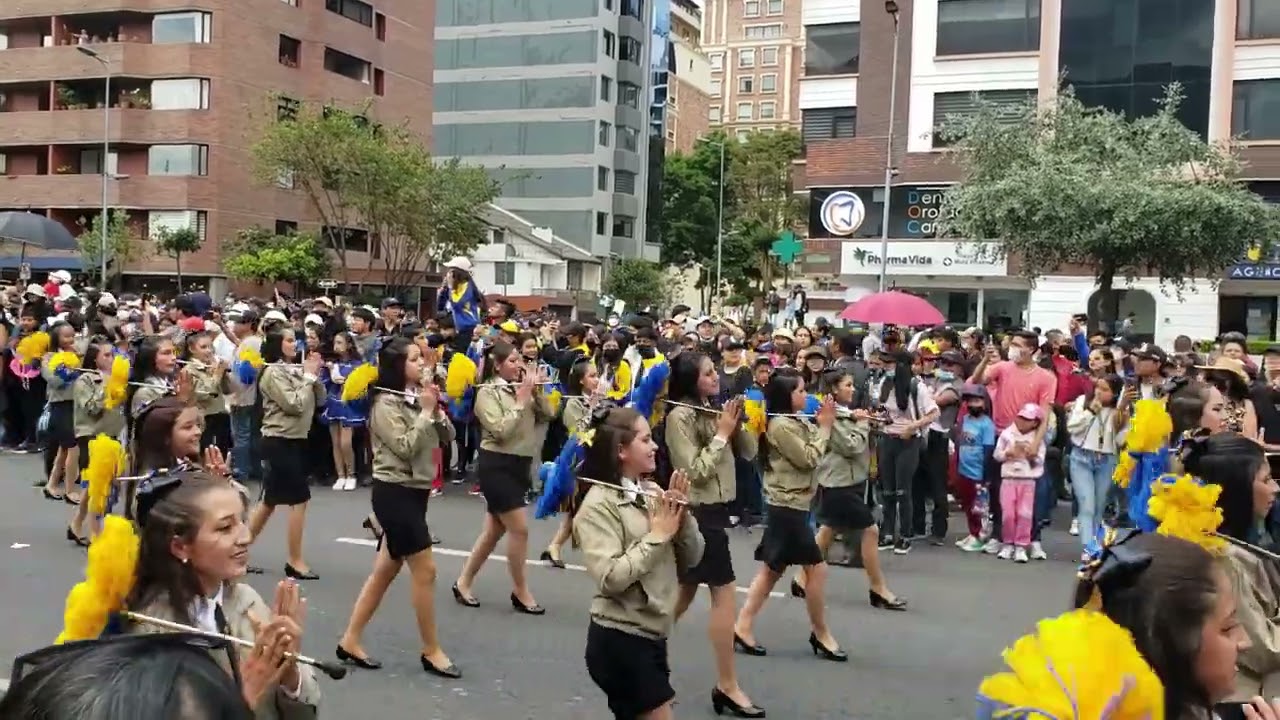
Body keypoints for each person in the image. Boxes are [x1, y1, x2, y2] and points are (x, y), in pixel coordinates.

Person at [336, 338, 460, 679]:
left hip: (416, 492)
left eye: (422, 358)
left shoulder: (415, 397)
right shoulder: (384, 405)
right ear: (397, 366)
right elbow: (405, 447)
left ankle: (350, 639)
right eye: (415, 359)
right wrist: (423, 413)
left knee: (385, 571)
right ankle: (431, 649)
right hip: (395, 493)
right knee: (426, 571)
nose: (423, 364)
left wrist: (434, 409)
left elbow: (447, 436)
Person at [572, 406, 704, 720]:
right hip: (620, 640)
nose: (655, 445)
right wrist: (658, 534)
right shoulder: (597, 505)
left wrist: (680, 518)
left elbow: (694, 557)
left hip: (652, 635)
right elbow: (611, 577)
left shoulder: (649, 492)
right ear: (621, 450)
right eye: (645, 440)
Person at [664, 352, 764, 718]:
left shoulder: (713, 409)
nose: (715, 378)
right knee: (723, 595)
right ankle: (727, 684)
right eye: (707, 374)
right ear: (691, 380)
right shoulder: (680, 416)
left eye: (714, 372)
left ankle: (643, 657)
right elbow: (694, 471)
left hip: (719, 510)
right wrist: (721, 434)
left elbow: (750, 454)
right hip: (699, 513)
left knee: (681, 596)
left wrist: (738, 426)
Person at [734, 367, 845, 661]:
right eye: (799, 390)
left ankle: (742, 625)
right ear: (786, 396)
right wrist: (824, 427)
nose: (805, 394)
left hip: (793, 504)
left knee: (773, 569)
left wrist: (832, 421)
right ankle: (821, 632)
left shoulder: (795, 421)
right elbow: (809, 458)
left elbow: (821, 443)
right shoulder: (781, 426)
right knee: (816, 569)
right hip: (787, 506)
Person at [453, 341, 552, 613]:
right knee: (519, 529)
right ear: (497, 365)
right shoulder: (487, 392)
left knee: (493, 532)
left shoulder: (524, 388)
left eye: (520, 360)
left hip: (520, 463)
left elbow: (549, 414)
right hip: (496, 463)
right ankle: (521, 591)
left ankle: (463, 581)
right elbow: (500, 430)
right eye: (511, 361)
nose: (518, 365)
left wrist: (537, 390)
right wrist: (520, 402)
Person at [0, 635, 255, 719]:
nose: (243, 536)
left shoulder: (247, 602)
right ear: (180, 546)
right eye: (224, 527)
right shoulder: (147, 624)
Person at [247, 327, 325, 580]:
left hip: (294, 439)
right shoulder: (272, 372)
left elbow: (319, 401)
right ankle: (295, 560)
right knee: (299, 499)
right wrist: (309, 379)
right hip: (279, 439)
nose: (295, 344)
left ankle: (237, 549)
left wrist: (315, 376)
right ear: (278, 344)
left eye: (295, 339)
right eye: (289, 340)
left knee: (269, 502)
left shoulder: (295, 370)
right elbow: (294, 404)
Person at [992, 403, 1047, 563]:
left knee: (1024, 514)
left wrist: (1031, 455)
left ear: (1035, 422)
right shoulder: (1007, 434)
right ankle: (1007, 543)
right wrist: (1008, 453)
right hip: (1009, 479)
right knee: (1008, 513)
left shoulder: (1037, 440)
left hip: (1027, 481)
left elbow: (1039, 463)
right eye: (1021, 417)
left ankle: (1021, 545)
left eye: (1027, 419)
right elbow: (997, 455)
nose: (1022, 421)